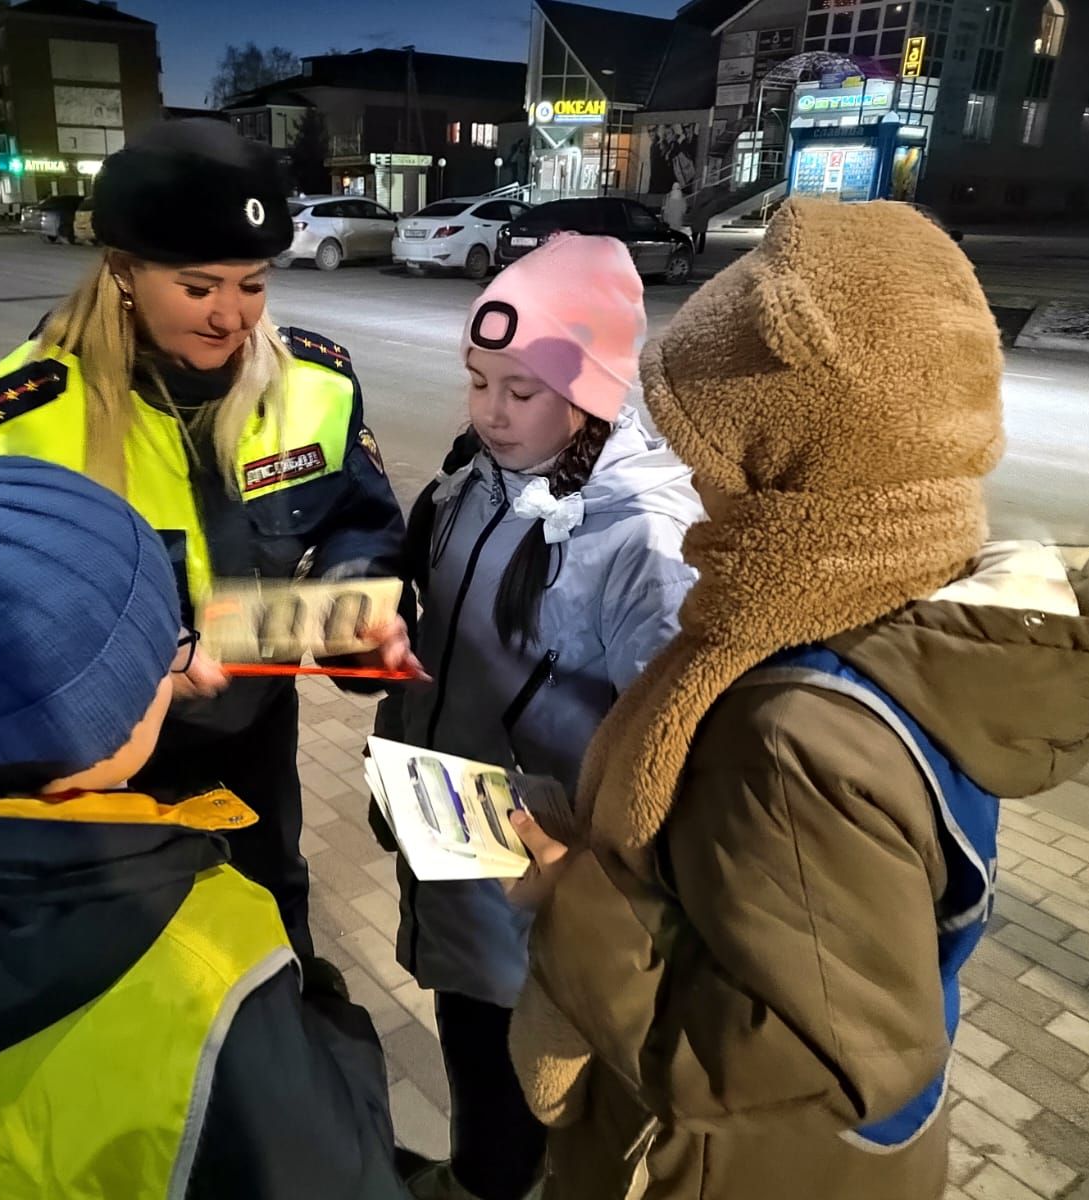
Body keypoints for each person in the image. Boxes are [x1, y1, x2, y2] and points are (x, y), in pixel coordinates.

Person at [505, 199, 1089, 1199]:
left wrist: (574, 897)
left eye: (709, 454)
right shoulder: (908, 617)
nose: (691, 485)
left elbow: (794, 1066)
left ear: (791, 465)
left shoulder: (794, 732)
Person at [0, 413, 411, 1199]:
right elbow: (344, 1173)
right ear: (105, 723)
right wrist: (332, 1018)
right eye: (161, 645)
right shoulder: (210, 963)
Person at [0, 119, 412, 958]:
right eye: (199, 287)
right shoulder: (5, 422)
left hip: (253, 747)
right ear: (121, 272)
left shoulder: (314, 383)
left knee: (267, 939)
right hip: (87, 768)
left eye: (252, 283)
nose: (232, 317)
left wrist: (358, 608)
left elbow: (360, 522)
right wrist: (124, 672)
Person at [381, 234, 701, 1200]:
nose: (489, 413)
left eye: (519, 392)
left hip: (536, 888)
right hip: (451, 840)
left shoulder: (642, 534)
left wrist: (593, 885)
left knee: (532, 1093)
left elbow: (671, 749)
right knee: (475, 1063)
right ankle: (484, 1176)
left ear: (596, 390)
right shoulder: (470, 481)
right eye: (477, 381)